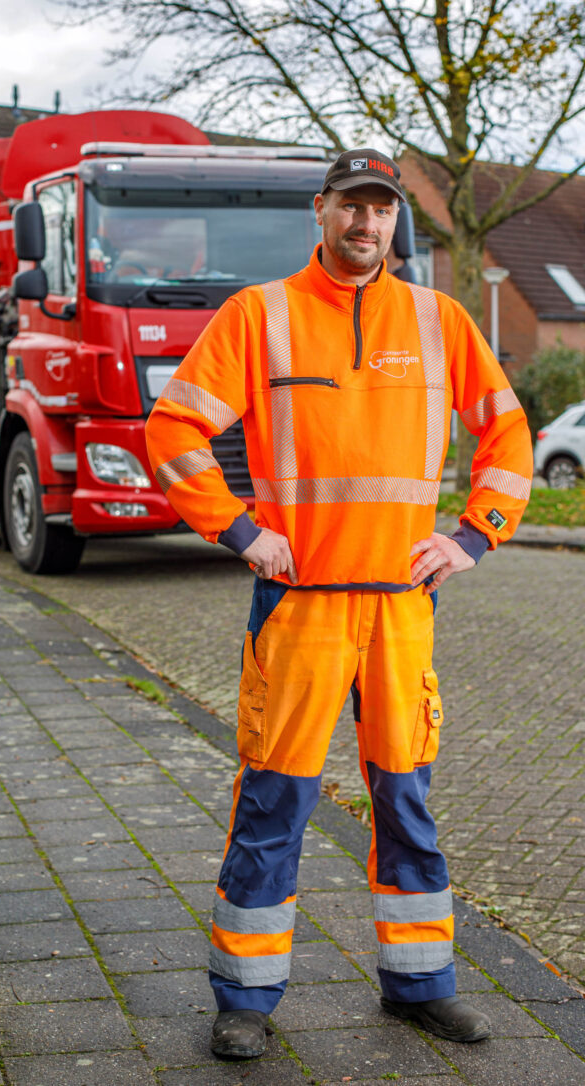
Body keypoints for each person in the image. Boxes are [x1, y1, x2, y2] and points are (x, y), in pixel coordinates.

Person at [145, 147, 533, 1060]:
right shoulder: (261, 315)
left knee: (407, 800)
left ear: (397, 220)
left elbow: (508, 427)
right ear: (320, 212)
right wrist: (241, 531)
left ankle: (420, 984)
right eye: (351, 208)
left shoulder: (439, 319)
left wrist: (473, 534)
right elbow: (172, 427)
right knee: (274, 800)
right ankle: (245, 998)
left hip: (402, 608)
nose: (367, 226)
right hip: (302, 606)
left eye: (383, 211)